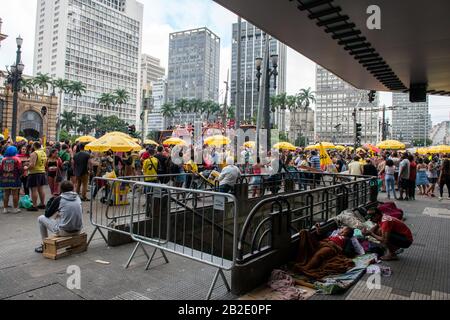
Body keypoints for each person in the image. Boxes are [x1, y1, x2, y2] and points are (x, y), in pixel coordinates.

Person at [35, 181, 83, 253]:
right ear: (72, 189)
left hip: (65, 232)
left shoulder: (59, 199)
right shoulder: (77, 197)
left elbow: (47, 214)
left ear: (61, 190)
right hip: (78, 230)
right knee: (58, 216)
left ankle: (44, 245)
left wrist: (51, 200)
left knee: (41, 218)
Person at [0, 146, 23, 214]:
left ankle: (5, 209)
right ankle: (15, 209)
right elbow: (20, 169)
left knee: (6, 194)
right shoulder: (17, 159)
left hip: (5, 179)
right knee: (15, 194)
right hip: (15, 179)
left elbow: (1, 169)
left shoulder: (3, 159)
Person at [27, 142, 48, 211]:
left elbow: (32, 165)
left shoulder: (34, 153)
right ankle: (42, 204)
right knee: (41, 189)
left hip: (34, 173)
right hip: (42, 172)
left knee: (34, 189)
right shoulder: (44, 153)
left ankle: (34, 205)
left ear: (34, 146)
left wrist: (26, 168)